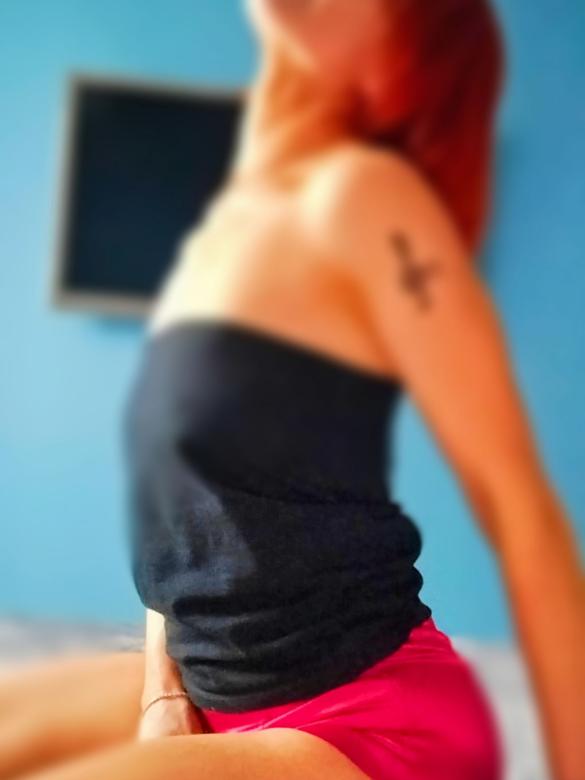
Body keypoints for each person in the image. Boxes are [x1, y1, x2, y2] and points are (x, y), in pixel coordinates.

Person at [2, 1, 584, 779]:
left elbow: (521, 512)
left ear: (393, 59)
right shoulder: (222, 232)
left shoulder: (367, 199)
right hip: (206, 684)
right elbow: (172, 516)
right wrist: (160, 696)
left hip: (369, 718)